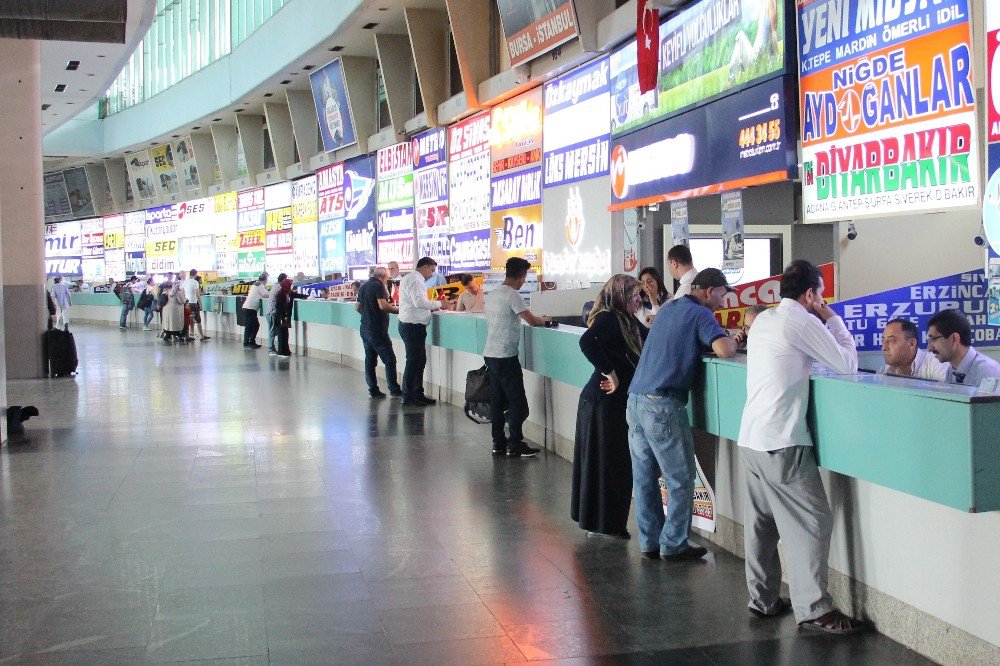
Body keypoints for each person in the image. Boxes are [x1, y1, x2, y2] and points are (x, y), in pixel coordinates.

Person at [738, 260, 862, 634]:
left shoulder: (764, 320)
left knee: (761, 523)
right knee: (814, 520)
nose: (821, 301)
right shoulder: (801, 320)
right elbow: (846, 363)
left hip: (751, 437)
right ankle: (814, 608)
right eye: (820, 295)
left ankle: (763, 599)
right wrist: (833, 318)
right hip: (782, 440)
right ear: (810, 295)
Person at [628, 268, 737, 561]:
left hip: (636, 399)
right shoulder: (702, 315)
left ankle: (650, 541)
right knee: (680, 477)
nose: (723, 302)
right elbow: (725, 350)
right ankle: (674, 543)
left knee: (645, 477)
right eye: (723, 295)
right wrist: (736, 338)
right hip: (662, 403)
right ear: (711, 290)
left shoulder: (669, 309)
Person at [572, 274, 647, 539]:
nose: (639, 300)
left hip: (608, 403)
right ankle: (607, 523)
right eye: (634, 295)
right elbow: (586, 342)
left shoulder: (626, 321)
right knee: (609, 464)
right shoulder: (610, 318)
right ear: (620, 297)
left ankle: (604, 522)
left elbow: (650, 339)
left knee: (609, 463)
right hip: (603, 402)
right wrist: (610, 372)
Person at [482, 257, 550, 458]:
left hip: (491, 353)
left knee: (497, 400)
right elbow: (532, 321)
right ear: (520, 276)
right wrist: (545, 320)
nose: (523, 281)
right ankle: (515, 443)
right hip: (506, 355)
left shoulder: (493, 295)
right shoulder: (512, 295)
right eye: (524, 277)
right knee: (517, 401)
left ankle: (498, 443)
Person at [398, 257, 452, 406]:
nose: (432, 274)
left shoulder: (409, 277)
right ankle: (409, 395)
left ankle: (417, 393)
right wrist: (440, 303)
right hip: (413, 326)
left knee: (418, 361)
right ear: (424, 267)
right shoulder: (416, 280)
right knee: (414, 362)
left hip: (410, 324)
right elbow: (419, 302)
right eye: (432, 270)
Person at [355, 267, 402, 398]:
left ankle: (373, 389)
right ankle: (394, 388)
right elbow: (383, 305)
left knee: (370, 359)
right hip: (377, 330)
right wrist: (400, 310)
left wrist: (368, 314)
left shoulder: (364, 286)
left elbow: (357, 307)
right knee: (390, 360)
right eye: (387, 279)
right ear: (383, 278)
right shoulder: (379, 286)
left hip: (364, 328)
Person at [927, 309, 1000, 387]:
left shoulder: (986, 370)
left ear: (954, 339)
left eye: (933, 339)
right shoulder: (952, 370)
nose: (929, 348)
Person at [879, 319, 948, 381]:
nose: (884, 348)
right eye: (883, 340)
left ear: (911, 344)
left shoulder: (937, 364)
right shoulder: (884, 371)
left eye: (892, 340)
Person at [728, 0, 778, 81]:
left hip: (757, 57)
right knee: (740, 37)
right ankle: (733, 77)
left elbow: (773, 32)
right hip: (757, 56)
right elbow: (771, 34)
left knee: (740, 35)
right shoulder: (768, 4)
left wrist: (776, 57)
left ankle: (731, 79)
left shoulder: (769, 2)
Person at [242, 272, 270, 348]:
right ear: (265, 279)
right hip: (250, 308)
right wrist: (273, 295)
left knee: (254, 325)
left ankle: (251, 342)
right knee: (250, 326)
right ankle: (247, 343)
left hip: (249, 308)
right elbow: (264, 294)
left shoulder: (256, 284)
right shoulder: (259, 284)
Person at [182, 269, 210, 341]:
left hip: (187, 303)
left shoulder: (185, 282)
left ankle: (188, 335)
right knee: (198, 320)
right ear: (195, 274)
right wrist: (200, 304)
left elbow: (182, 292)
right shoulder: (195, 282)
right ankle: (202, 336)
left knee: (188, 319)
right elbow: (197, 294)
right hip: (193, 303)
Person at [161, 279, 187, 345]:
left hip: (166, 310)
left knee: (169, 325)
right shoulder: (177, 293)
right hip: (175, 311)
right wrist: (185, 298)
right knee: (174, 325)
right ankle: (178, 336)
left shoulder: (167, 292)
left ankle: (167, 336)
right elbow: (182, 301)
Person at [273, 278, 294, 357]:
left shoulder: (286, 293)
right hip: (281, 317)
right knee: (282, 335)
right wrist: (283, 316)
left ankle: (285, 350)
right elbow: (279, 307)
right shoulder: (282, 294)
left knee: (285, 334)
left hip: (282, 317)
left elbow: (294, 295)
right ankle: (282, 351)